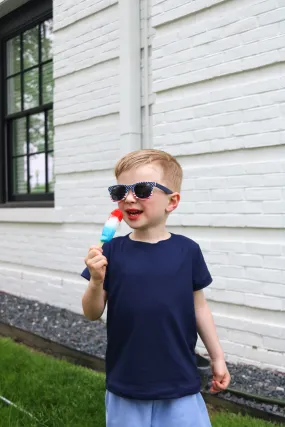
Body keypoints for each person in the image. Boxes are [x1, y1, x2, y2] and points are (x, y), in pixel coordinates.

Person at [81, 149, 231, 427]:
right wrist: (96, 280)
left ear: (171, 201)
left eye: (141, 189)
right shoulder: (111, 251)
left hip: (180, 379)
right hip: (127, 380)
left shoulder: (187, 251)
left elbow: (199, 307)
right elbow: (92, 312)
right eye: (119, 191)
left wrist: (217, 358)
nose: (128, 198)